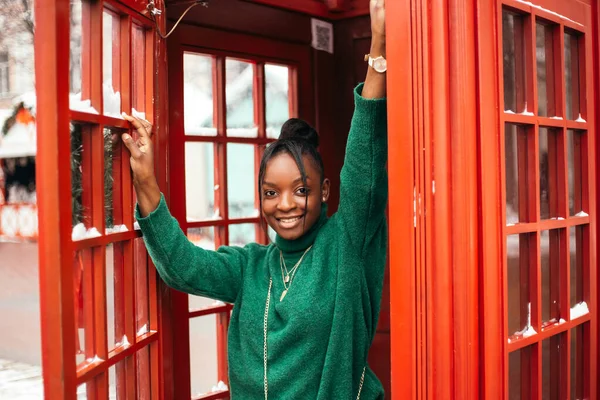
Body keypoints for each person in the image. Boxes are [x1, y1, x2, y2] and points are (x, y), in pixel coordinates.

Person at [122, 0, 387, 398]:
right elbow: (183, 267)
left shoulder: (344, 245)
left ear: (325, 192)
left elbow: (364, 169)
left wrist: (379, 44)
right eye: (271, 193)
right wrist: (145, 180)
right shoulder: (251, 267)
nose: (286, 205)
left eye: (301, 190)